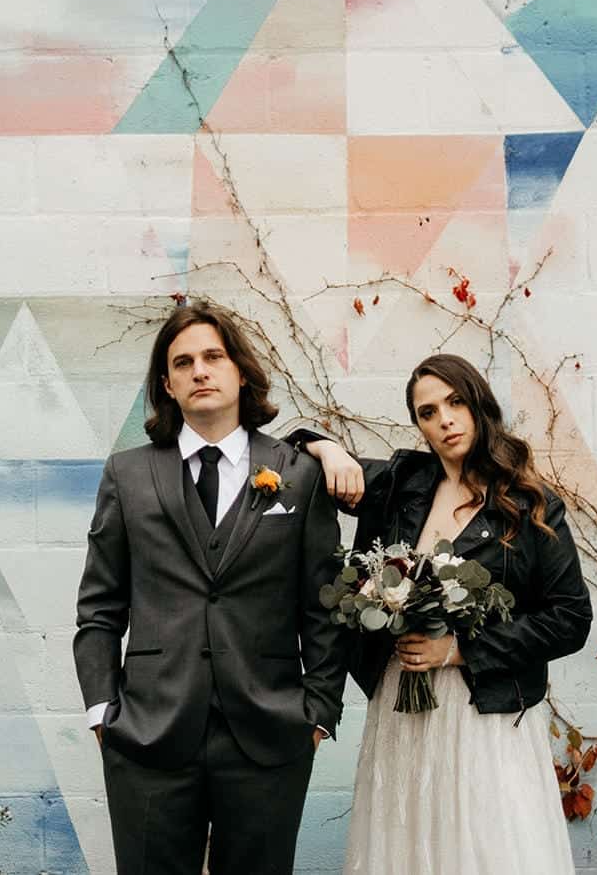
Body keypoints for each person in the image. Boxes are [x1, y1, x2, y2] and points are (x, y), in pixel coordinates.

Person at [73, 300, 348, 875]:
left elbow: (324, 604)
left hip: (270, 732)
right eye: (183, 362)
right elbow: (100, 607)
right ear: (168, 385)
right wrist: (103, 711)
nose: (199, 370)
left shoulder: (297, 471)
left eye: (213, 356)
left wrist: (318, 713)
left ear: (239, 371)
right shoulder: (127, 474)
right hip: (148, 733)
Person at [295, 353, 592, 875]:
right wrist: (324, 447)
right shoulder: (405, 482)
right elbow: (293, 448)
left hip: (484, 714)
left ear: (478, 404)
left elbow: (571, 618)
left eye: (454, 403)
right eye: (427, 412)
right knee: (406, 843)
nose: (444, 420)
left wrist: (460, 650)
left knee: (482, 846)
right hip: (403, 711)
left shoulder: (529, 503)